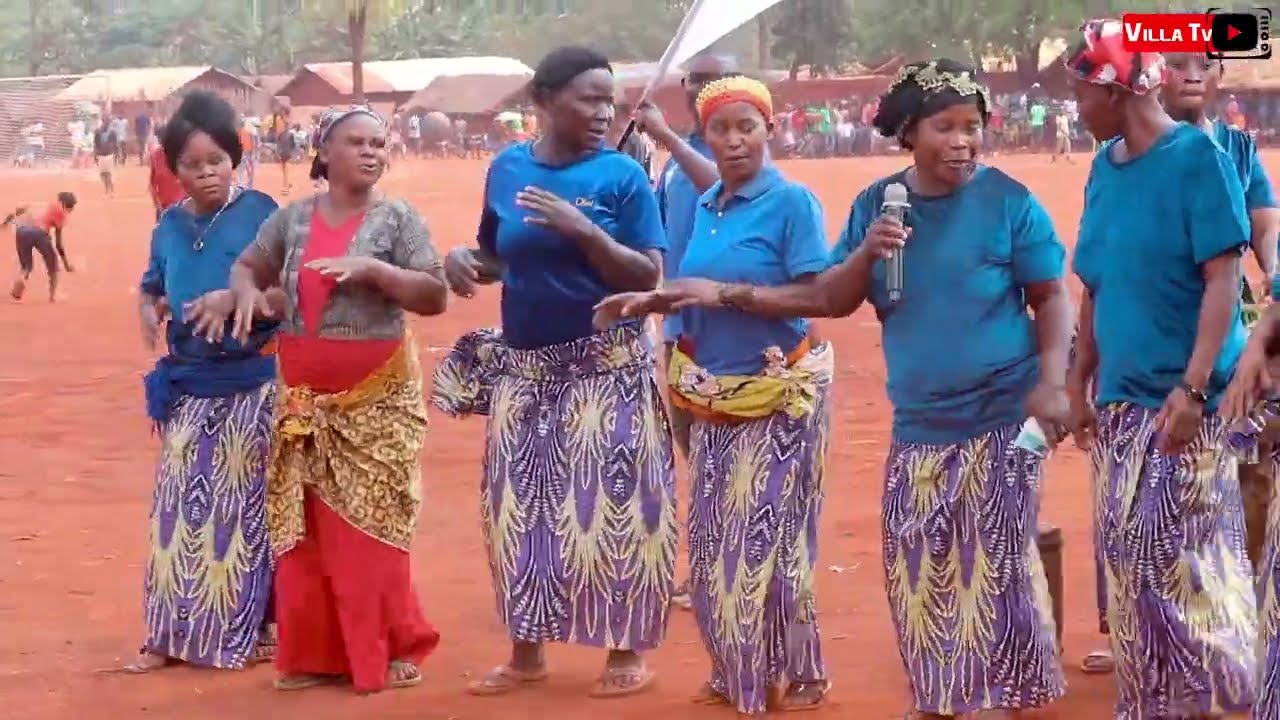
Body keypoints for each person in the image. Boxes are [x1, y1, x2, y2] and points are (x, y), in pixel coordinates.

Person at [433, 45, 675, 700]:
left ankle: (625, 650)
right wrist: (463, 261)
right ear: (543, 101)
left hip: (607, 369)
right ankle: (526, 653)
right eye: (588, 99)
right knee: (519, 513)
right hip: (527, 372)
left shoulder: (622, 177)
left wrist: (585, 232)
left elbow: (648, 276)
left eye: (609, 102)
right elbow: (497, 254)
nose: (602, 113)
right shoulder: (507, 169)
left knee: (616, 508)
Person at [592, 75, 834, 714]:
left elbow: (819, 297)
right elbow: (692, 285)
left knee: (764, 543)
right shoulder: (705, 205)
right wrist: (654, 300)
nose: (733, 141)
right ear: (704, 136)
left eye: (745, 127)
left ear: (769, 130)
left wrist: (724, 295)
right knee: (709, 545)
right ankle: (737, 672)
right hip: (710, 398)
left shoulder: (792, 203)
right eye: (719, 129)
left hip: (777, 395)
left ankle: (796, 670)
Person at [1065, 21, 1257, 718]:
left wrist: (1192, 388)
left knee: (1190, 565)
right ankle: (1151, 703)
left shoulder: (1197, 159)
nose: (1076, 108)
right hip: (1122, 402)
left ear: (1115, 91)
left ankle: (1227, 698)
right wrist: (1078, 381)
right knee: (1130, 563)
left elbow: (1221, 279)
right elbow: (1096, 283)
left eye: (1082, 93)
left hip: (1185, 406)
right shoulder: (1104, 167)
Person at [220, 106, 447, 694]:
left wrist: (374, 270)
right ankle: (315, 654)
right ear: (324, 153)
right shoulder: (292, 219)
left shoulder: (399, 219)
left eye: (379, 143)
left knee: (373, 523)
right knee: (307, 526)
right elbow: (247, 266)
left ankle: (390, 646)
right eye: (357, 142)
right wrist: (244, 294)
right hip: (303, 398)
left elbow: (434, 294)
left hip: (378, 400)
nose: (371, 152)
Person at [128, 91, 281, 672]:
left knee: (242, 515)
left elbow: (291, 292)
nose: (207, 173)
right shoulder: (168, 224)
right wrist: (147, 308)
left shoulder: (262, 212)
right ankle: (168, 634)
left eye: (216, 160)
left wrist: (239, 297)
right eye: (192, 164)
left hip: (251, 384)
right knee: (175, 514)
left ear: (234, 157)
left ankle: (251, 631)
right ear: (174, 168)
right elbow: (153, 282)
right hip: (189, 386)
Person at [632, 53, 731, 613]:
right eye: (695, 80)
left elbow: (720, 188)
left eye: (715, 79)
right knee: (693, 444)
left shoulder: (731, 151)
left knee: (719, 451)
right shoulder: (677, 156)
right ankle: (712, 564)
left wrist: (665, 135)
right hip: (677, 321)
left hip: (722, 326)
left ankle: (721, 568)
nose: (701, 89)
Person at [5, 192, 75, 302]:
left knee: (26, 266)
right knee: (53, 265)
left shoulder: (45, 204)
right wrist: (66, 265)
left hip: (22, 231)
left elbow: (18, 211)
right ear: (68, 205)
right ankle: (53, 296)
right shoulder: (61, 212)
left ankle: (20, 282)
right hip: (40, 233)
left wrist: (5, 223)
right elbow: (58, 244)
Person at [148, 125, 185, 222]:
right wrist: (157, 204)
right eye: (161, 139)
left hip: (183, 207)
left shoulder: (182, 155)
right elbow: (152, 184)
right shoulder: (155, 156)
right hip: (164, 207)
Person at [93, 118, 118, 196]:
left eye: (107, 123)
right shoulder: (98, 132)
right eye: (104, 122)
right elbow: (95, 145)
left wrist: (116, 155)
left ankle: (111, 190)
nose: (105, 124)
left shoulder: (112, 133)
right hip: (101, 155)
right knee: (103, 174)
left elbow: (115, 145)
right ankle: (107, 190)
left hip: (108, 155)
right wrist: (95, 155)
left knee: (108, 174)